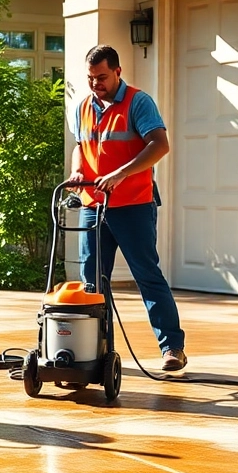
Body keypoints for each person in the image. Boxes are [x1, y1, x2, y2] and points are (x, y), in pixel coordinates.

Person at [68, 44, 186, 372]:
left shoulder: (138, 102)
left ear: (118, 71)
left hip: (133, 204)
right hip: (95, 205)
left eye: (102, 77)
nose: (96, 84)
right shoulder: (82, 108)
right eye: (91, 78)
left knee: (147, 275)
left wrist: (122, 173)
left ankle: (172, 348)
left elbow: (160, 145)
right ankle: (93, 349)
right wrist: (78, 170)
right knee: (91, 281)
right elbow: (81, 147)